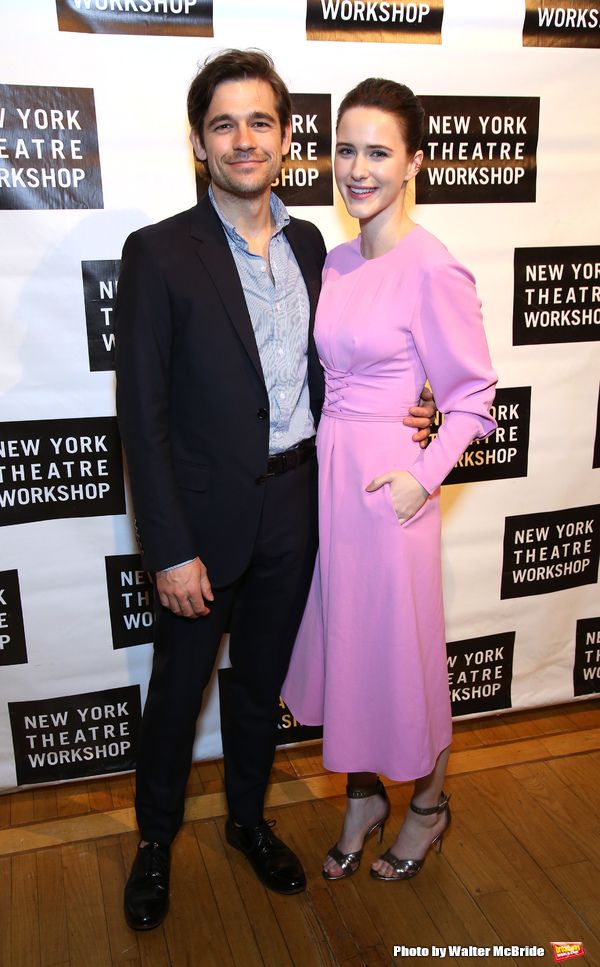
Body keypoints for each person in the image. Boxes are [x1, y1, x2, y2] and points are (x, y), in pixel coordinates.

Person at [115, 51, 435, 929]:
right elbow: (141, 418)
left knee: (260, 683)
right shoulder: (157, 253)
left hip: (301, 506)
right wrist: (169, 545)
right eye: (224, 124)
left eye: (261, 122)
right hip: (202, 521)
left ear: (288, 139)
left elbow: (353, 365)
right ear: (198, 142)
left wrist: (418, 406)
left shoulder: (311, 247)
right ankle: (153, 841)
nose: (243, 139)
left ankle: (248, 822)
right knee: (179, 688)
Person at [282, 77, 497, 882]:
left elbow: (476, 399)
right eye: (345, 149)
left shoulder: (434, 267)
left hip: (390, 496)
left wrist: (421, 473)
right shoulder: (335, 261)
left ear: (414, 162)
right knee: (351, 652)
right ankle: (364, 798)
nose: (357, 168)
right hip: (332, 482)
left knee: (406, 657)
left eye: (378, 151)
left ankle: (431, 804)